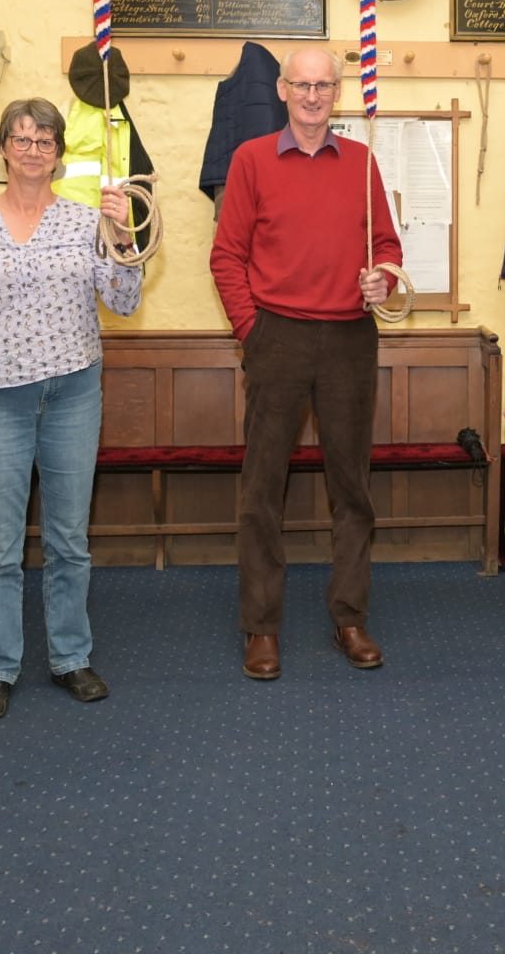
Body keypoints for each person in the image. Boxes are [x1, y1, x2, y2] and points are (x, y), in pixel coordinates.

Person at [0, 98, 141, 721]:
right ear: (2, 149)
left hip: (73, 393)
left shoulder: (85, 222)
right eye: (20, 139)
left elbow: (125, 302)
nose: (32, 150)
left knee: (69, 540)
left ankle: (70, 658)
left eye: (44, 140)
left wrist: (124, 235)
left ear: (58, 153)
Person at [209, 47, 402, 680]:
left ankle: (350, 617)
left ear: (338, 93)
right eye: (303, 84)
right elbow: (226, 256)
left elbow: (387, 248)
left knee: (352, 489)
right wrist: (252, 331)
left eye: (325, 85)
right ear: (284, 90)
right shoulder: (252, 159)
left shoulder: (363, 162)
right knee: (262, 490)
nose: (314, 95)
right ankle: (260, 628)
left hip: (349, 339)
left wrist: (385, 279)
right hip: (278, 339)